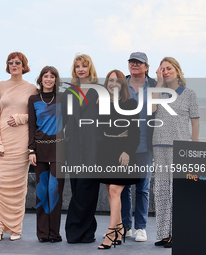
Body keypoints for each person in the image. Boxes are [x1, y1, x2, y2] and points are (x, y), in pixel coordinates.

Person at [152, 57, 199, 248]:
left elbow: (195, 123)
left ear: (177, 71)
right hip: (159, 146)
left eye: (168, 68)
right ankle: (164, 234)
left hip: (180, 148)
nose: (165, 71)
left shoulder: (189, 94)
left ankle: (177, 234)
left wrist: (193, 148)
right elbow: (151, 109)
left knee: (176, 192)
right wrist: (159, 83)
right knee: (161, 191)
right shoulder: (158, 93)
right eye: (162, 69)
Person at [0, 52, 37, 241]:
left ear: (24, 65)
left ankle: (16, 227)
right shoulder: (0, 86)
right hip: (2, 141)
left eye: (17, 62)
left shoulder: (32, 88)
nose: (14, 65)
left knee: (18, 187)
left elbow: (35, 115)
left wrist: (20, 118)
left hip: (21, 141)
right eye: (10, 62)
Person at [97, 70, 140, 249]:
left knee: (115, 190)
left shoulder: (130, 104)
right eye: (110, 81)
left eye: (117, 81)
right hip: (106, 151)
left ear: (123, 85)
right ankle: (120, 227)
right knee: (110, 191)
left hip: (124, 153)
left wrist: (127, 151)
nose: (113, 84)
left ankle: (110, 233)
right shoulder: (102, 103)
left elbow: (136, 132)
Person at [62, 54, 101, 243]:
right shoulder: (69, 92)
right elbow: (62, 118)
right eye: (77, 66)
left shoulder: (99, 91)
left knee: (89, 190)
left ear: (89, 68)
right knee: (77, 188)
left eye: (84, 66)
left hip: (93, 146)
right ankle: (83, 232)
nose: (80, 69)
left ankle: (77, 230)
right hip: (74, 147)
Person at [121, 52, 157, 242]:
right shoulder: (120, 84)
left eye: (139, 63)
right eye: (132, 62)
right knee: (124, 188)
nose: (134, 65)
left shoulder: (154, 85)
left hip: (146, 143)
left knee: (143, 188)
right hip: (124, 144)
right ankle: (126, 226)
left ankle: (141, 228)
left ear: (146, 66)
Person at [28, 66, 65, 243]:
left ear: (56, 80)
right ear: (40, 79)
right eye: (45, 76)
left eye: (52, 77)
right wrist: (31, 150)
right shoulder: (34, 99)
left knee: (54, 190)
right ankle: (42, 233)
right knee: (42, 191)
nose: (48, 79)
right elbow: (31, 126)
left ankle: (54, 233)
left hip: (59, 149)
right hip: (39, 149)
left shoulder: (63, 99)